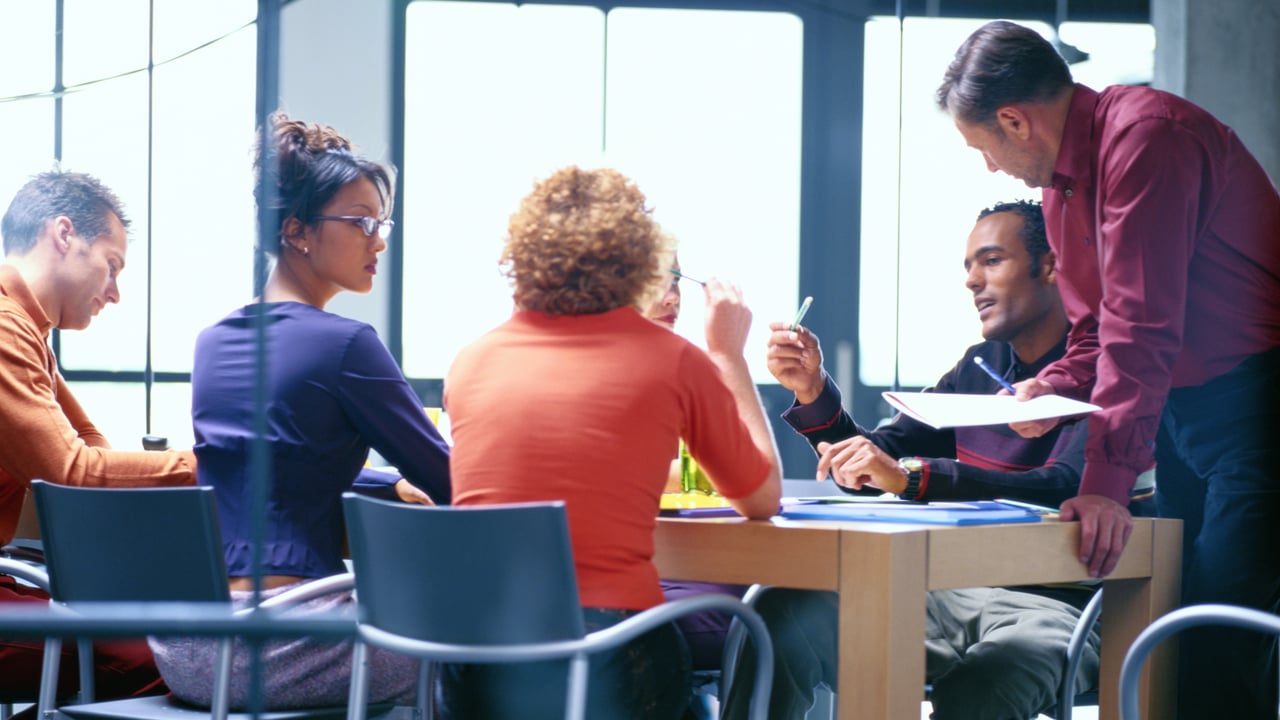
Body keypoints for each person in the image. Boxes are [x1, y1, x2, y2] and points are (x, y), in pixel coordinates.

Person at [937, 20, 1280, 718]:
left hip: (1258, 401)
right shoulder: (1063, 184)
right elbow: (1100, 324)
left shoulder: (1149, 139)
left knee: (1214, 637)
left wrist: (1104, 487)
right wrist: (1055, 383)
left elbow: (1142, 325)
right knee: (1168, 631)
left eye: (984, 148)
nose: (992, 168)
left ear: (1015, 121)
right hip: (1183, 413)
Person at [722, 201, 1148, 720]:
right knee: (779, 610)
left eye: (991, 260)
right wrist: (813, 391)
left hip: (1059, 606)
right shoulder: (979, 366)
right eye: (968, 267)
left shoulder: (1113, 373)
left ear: (1051, 266)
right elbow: (881, 460)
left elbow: (1065, 485)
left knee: (986, 681)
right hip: (947, 592)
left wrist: (909, 478)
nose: (972, 281)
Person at [443, 165, 782, 719]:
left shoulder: (472, 360)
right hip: (608, 663)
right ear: (639, 260)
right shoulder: (673, 360)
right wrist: (727, 354)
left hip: (474, 665)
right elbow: (761, 498)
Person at [147, 113, 452, 710]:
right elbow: (452, 480)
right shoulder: (346, 344)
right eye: (361, 222)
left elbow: (272, 460)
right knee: (477, 638)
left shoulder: (213, 341)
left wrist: (387, 484)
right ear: (297, 231)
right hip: (283, 642)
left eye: (381, 223)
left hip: (187, 644)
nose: (379, 241)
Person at [0, 170, 195, 707]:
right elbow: (70, 472)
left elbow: (89, 444)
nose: (114, 293)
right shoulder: (4, 327)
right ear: (64, 234)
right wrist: (214, 464)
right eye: (112, 266)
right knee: (163, 660)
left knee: (147, 643)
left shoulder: (26, 330)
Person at [645, 262, 750, 693]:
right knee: (783, 609)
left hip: (532, 608)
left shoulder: (483, 362)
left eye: (675, 280)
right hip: (620, 610)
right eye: (654, 279)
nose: (672, 296)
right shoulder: (611, 373)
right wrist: (729, 355)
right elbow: (751, 487)